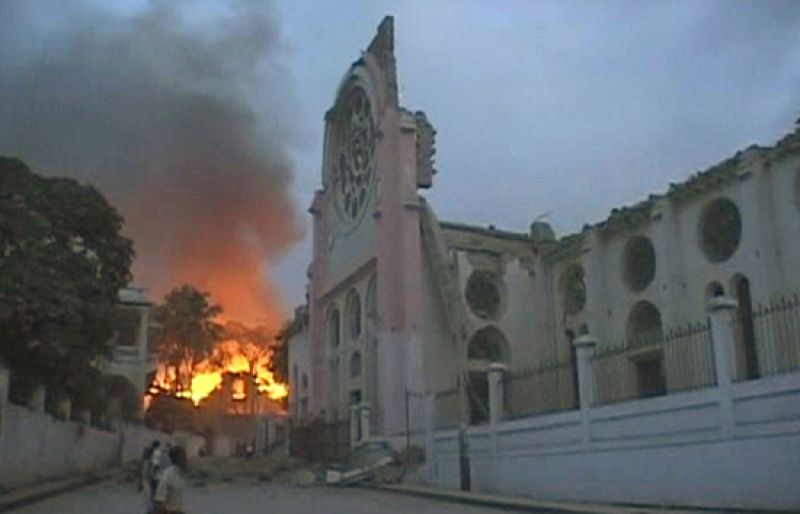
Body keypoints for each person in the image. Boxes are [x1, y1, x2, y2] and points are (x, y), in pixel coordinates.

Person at [153, 446, 188, 514]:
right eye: (183, 457)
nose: (185, 459)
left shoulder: (181, 476)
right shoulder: (167, 475)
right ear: (176, 458)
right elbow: (159, 502)